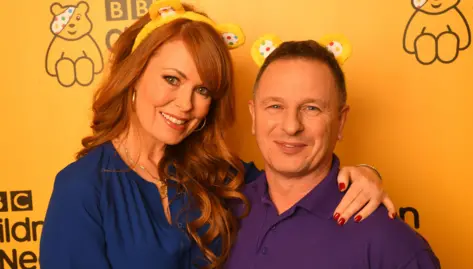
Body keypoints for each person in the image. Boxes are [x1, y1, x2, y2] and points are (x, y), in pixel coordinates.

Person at [39, 1, 395, 269]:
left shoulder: (218, 173)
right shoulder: (82, 189)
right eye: (172, 79)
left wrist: (365, 174)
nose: (185, 104)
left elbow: (297, 178)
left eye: (204, 90)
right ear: (134, 76)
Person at [224, 38, 440, 268]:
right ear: (254, 115)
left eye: (311, 108)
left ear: (341, 120)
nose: (291, 126)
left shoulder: (391, 243)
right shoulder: (223, 209)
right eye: (275, 106)